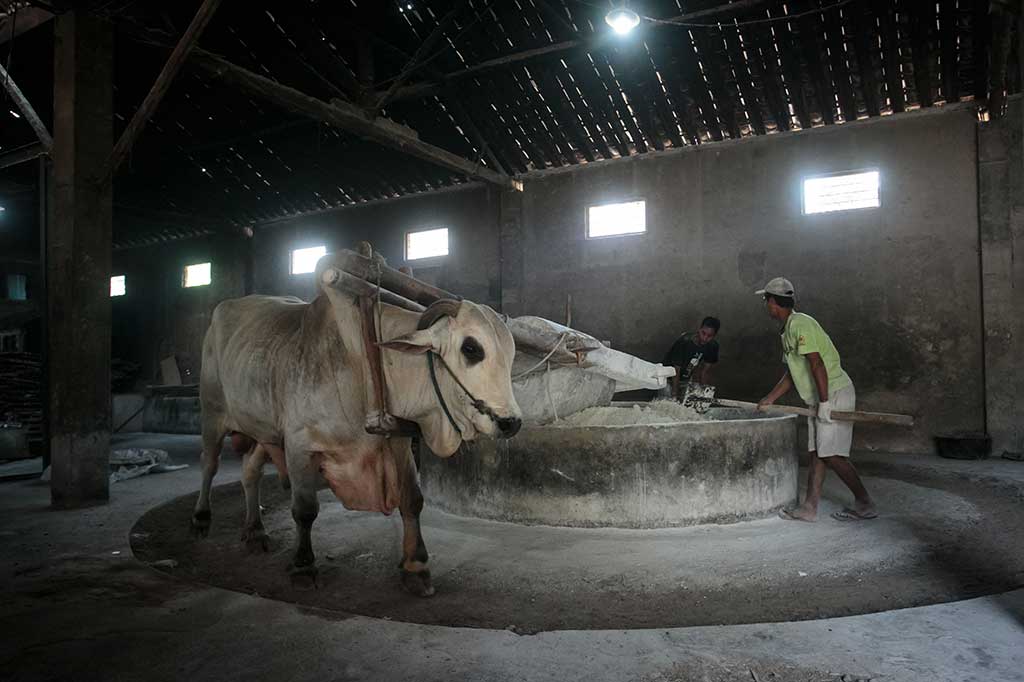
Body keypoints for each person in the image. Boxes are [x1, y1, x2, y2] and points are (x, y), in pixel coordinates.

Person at [755, 277, 876, 522]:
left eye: (765, 300)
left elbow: (817, 364)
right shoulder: (787, 329)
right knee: (817, 453)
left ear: (773, 302)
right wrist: (770, 398)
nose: (765, 305)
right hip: (819, 397)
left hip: (833, 392)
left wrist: (824, 403)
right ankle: (809, 508)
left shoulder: (801, 324)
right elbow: (792, 373)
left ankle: (865, 502)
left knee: (831, 454)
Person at [663, 316, 720, 399]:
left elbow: (704, 372)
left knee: (687, 403)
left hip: (686, 378)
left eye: (709, 336)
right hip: (668, 377)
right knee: (668, 403)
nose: (705, 338)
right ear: (699, 329)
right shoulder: (684, 342)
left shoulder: (712, 346)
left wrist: (704, 392)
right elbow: (676, 370)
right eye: (703, 333)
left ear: (714, 336)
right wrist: (674, 394)